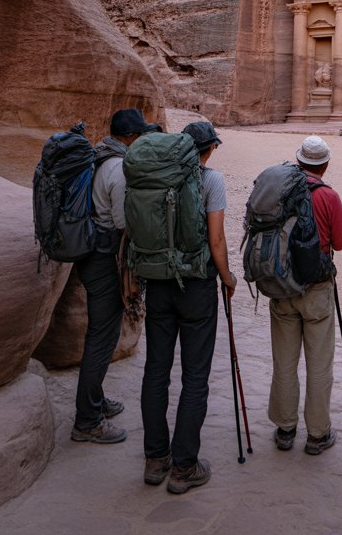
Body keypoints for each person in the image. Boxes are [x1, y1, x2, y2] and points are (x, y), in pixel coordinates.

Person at [140, 120, 237, 494]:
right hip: (196, 285)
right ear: (209, 148)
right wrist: (227, 278)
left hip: (159, 282)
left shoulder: (155, 175)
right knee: (195, 377)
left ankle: (154, 459)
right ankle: (183, 467)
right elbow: (216, 240)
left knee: (156, 371)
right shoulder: (210, 180)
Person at [70, 107, 160, 445]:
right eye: (141, 136)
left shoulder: (99, 154)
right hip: (105, 259)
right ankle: (87, 421)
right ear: (131, 137)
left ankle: (95, 400)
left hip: (94, 254)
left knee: (103, 335)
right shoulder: (119, 168)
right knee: (101, 337)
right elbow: (125, 222)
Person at [268, 135, 342, 455]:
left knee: (284, 362)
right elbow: (339, 244)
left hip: (282, 285)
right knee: (319, 363)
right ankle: (317, 434)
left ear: (298, 161)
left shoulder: (278, 190)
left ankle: (285, 429)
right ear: (325, 165)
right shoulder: (329, 196)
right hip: (316, 287)